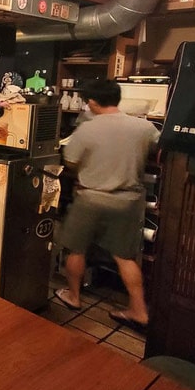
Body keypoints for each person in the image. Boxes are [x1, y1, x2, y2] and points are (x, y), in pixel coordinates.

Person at [54, 79, 159, 330]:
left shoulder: (87, 129)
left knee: (76, 248)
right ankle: (138, 310)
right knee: (125, 256)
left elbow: (70, 161)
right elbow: (160, 149)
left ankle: (74, 296)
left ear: (91, 102)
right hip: (128, 199)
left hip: (91, 197)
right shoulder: (144, 127)